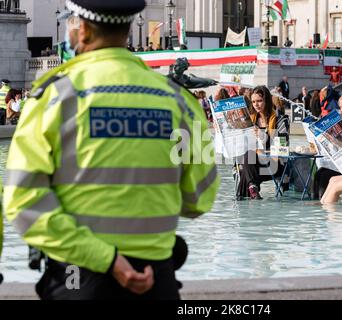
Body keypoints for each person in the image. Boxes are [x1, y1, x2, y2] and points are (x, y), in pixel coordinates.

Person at [3, 0, 219, 300]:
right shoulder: (179, 101)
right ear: (130, 28)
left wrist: (106, 258)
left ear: (84, 29)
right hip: (155, 277)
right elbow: (200, 198)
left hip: (77, 277)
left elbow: (22, 202)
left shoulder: (53, 98)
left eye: (70, 21)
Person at [236, 86, 285, 200]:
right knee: (248, 156)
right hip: (254, 164)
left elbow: (282, 147)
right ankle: (253, 189)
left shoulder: (280, 119)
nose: (256, 105)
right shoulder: (250, 120)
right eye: (253, 102)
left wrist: (264, 137)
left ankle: (241, 201)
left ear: (267, 100)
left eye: (259, 101)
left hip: (274, 164)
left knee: (245, 170)